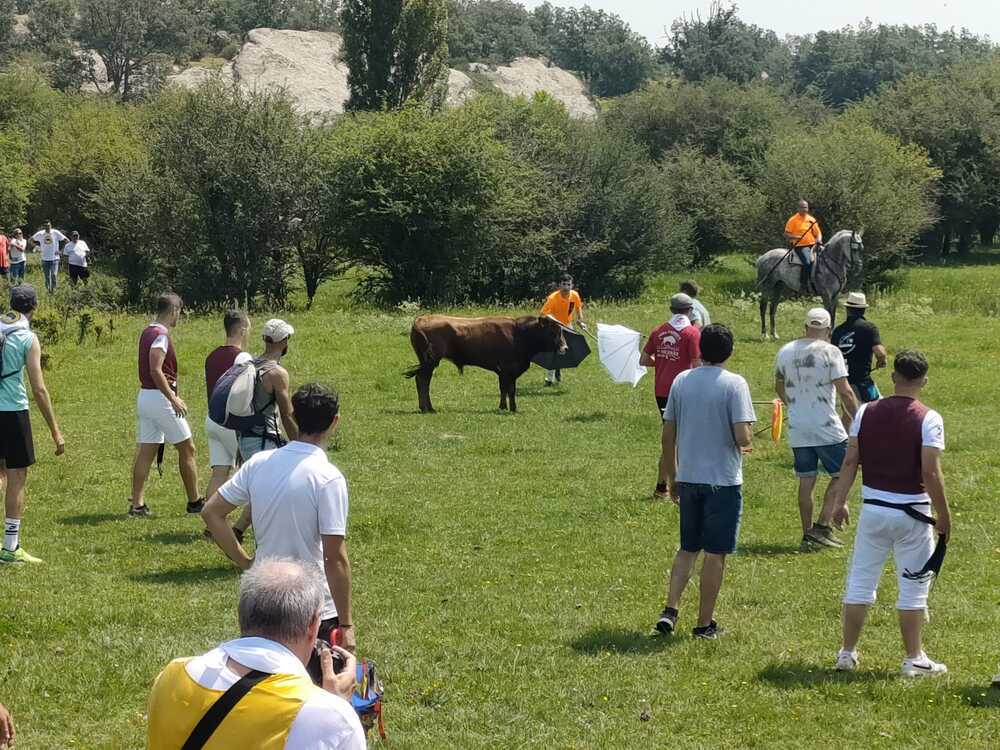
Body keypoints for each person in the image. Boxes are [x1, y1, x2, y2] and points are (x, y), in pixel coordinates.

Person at [147, 558, 365, 749]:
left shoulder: (173, 674)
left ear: (242, 615)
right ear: (312, 625)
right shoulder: (328, 717)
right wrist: (336, 705)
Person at [203, 383, 356, 653]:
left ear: (293, 416)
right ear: (335, 422)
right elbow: (334, 557)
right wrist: (346, 624)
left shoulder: (259, 463)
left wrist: (247, 563)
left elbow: (212, 513)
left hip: (262, 596)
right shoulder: (328, 478)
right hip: (310, 603)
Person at [829, 351, 952, 677]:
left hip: (873, 509)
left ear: (894, 377)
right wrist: (944, 514)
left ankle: (847, 652)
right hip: (912, 512)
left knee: (860, 583)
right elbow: (931, 472)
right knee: (912, 586)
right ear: (923, 381)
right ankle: (914, 657)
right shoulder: (929, 418)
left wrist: (839, 501)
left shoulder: (866, 412)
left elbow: (850, 460)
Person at [654, 324, 755, 639]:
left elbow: (667, 435)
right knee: (715, 553)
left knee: (687, 548)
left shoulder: (682, 381)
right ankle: (704, 624)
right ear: (730, 353)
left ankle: (670, 609)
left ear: (699, 351)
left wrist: (671, 478)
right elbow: (742, 436)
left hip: (688, 477)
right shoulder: (735, 384)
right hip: (722, 482)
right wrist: (749, 434)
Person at [774, 308, 858, 549]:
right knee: (843, 473)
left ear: (805, 328)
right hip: (826, 425)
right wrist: (859, 417)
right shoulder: (831, 352)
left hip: (798, 425)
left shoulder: (785, 351)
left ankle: (807, 533)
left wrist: (794, 405)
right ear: (828, 330)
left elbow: (779, 386)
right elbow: (845, 391)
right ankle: (821, 527)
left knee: (806, 479)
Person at [0, 285, 65, 564]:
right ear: (34, 307)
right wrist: (55, 431)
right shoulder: (28, 337)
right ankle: (11, 547)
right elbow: (38, 389)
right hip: (13, 410)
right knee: (16, 477)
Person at [128, 293, 202, 518]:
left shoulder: (147, 331)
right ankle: (194, 502)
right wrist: (173, 397)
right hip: (160, 399)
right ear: (174, 311)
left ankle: (137, 505)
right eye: (179, 312)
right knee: (187, 448)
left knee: (147, 451)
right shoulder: (161, 335)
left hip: (145, 397)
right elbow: (155, 369)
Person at [203, 310, 251, 510]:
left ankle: (210, 523)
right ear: (241, 329)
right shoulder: (242, 357)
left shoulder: (211, 356)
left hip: (212, 421)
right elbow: (246, 393)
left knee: (219, 473)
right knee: (251, 472)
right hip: (231, 423)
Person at [831, 292, 887, 428]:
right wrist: (882, 360)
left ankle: (844, 441)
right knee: (880, 408)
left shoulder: (838, 331)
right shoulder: (868, 328)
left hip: (842, 380)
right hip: (862, 381)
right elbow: (879, 352)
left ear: (847, 309)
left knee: (847, 413)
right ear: (864, 309)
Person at [641, 292, 701, 417]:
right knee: (684, 428)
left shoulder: (658, 330)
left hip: (661, 389)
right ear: (690, 310)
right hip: (684, 389)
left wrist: (663, 360)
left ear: (671, 309)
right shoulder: (693, 333)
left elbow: (644, 360)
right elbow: (697, 365)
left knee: (667, 426)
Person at [539, 273, 586, 385]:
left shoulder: (574, 295)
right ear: (560, 285)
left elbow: (578, 307)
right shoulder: (552, 298)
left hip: (567, 324)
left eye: (568, 284)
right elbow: (543, 313)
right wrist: (555, 321)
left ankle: (558, 369)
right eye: (564, 284)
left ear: (572, 285)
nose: (566, 287)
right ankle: (549, 379)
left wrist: (580, 320)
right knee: (552, 351)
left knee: (566, 350)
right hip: (554, 326)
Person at [784, 200, 823, 293]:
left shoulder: (811, 219)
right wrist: (795, 237)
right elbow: (786, 234)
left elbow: (818, 233)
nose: (804, 209)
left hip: (813, 245)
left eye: (806, 207)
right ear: (798, 208)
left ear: (808, 208)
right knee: (807, 263)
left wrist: (819, 239)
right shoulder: (793, 220)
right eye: (802, 207)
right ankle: (803, 285)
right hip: (800, 246)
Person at [31, 221, 67, 293]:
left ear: (51, 225)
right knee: (47, 277)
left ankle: (54, 290)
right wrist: (36, 247)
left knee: (54, 275)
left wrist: (61, 251)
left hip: (55, 258)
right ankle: (48, 291)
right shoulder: (40, 234)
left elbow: (67, 240)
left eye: (49, 225)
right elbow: (30, 240)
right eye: (46, 226)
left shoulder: (56, 232)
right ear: (44, 226)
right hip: (44, 259)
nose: (47, 227)